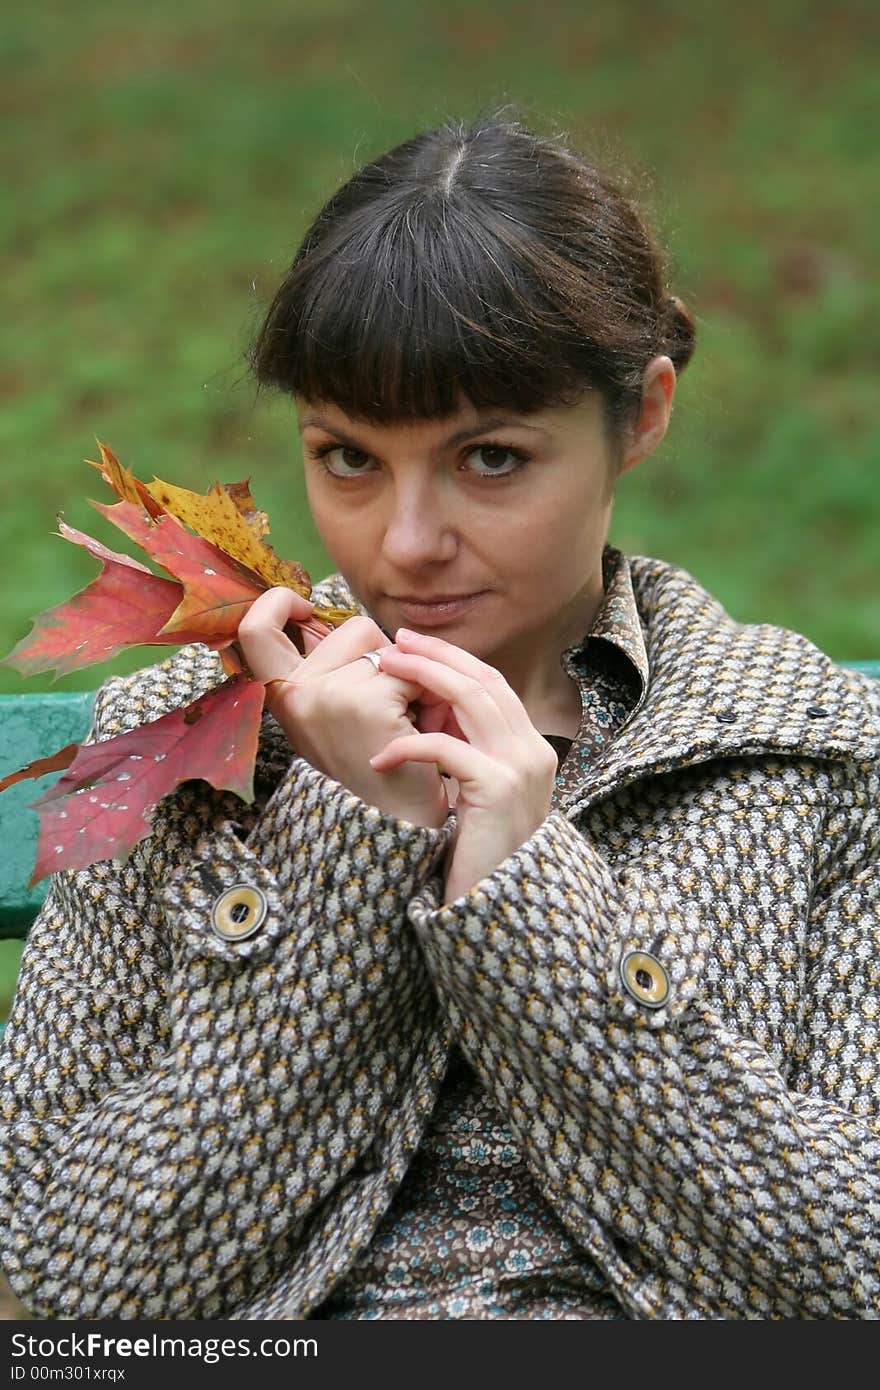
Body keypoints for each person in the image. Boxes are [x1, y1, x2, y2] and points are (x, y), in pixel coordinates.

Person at [1, 112, 878, 1323]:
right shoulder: (185, 746)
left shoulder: (811, 754)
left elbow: (846, 1289)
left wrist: (532, 904)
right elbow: (69, 1297)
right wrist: (358, 843)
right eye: (348, 457)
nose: (404, 543)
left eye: (492, 459)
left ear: (642, 414)